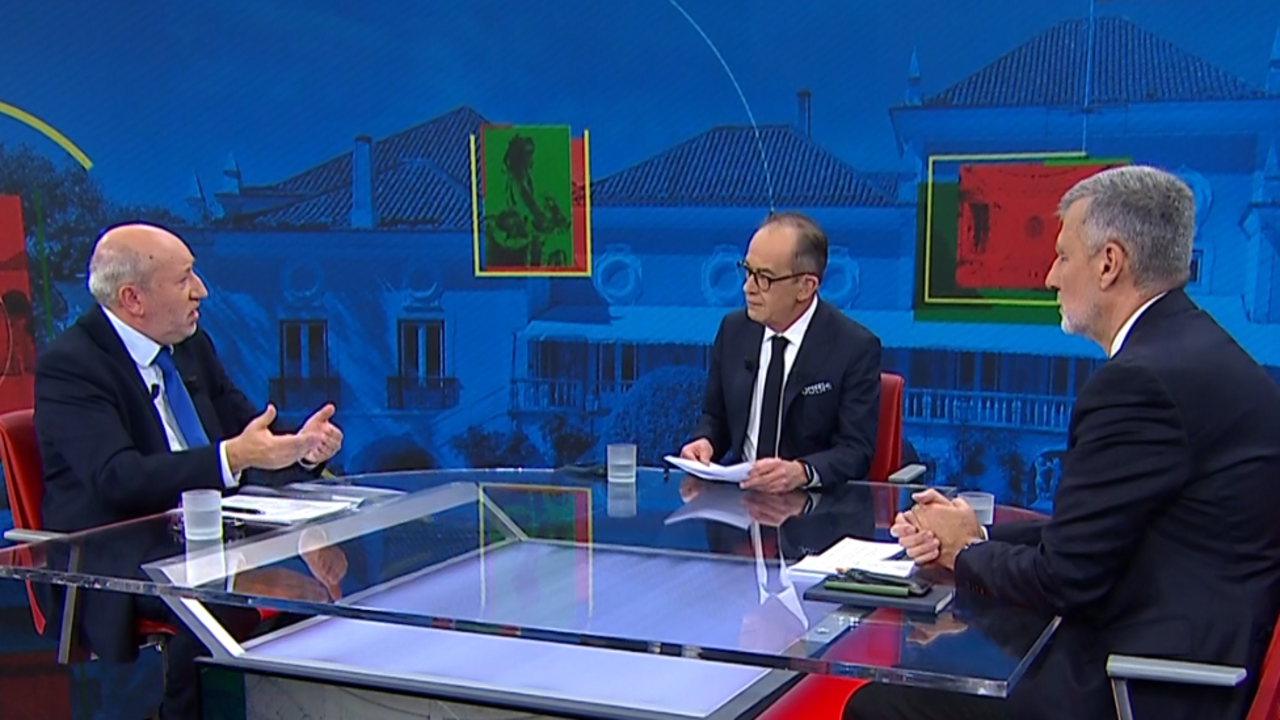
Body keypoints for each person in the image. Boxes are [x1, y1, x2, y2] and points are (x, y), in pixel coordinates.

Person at [846, 166, 1280, 720]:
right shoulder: (1196, 350)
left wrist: (965, 552)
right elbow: (1097, 535)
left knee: (881, 704)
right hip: (1181, 635)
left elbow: (1065, 579)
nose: (1051, 277)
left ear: (1109, 263)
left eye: (1062, 256)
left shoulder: (1141, 383)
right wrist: (977, 532)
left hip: (1142, 682)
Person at [34, 222, 344, 720]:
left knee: (322, 592)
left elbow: (248, 432)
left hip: (214, 539)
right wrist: (232, 458)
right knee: (215, 611)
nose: (202, 290)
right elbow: (117, 478)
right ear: (133, 298)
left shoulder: (190, 346)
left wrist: (302, 450)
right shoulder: (72, 365)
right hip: (119, 554)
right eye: (184, 280)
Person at [680, 212, 881, 492]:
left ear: (806, 287)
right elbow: (716, 417)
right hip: (740, 499)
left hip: (814, 506)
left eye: (764, 278)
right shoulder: (733, 331)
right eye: (747, 271)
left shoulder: (854, 347)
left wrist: (801, 472)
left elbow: (855, 450)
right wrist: (705, 441)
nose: (747, 288)